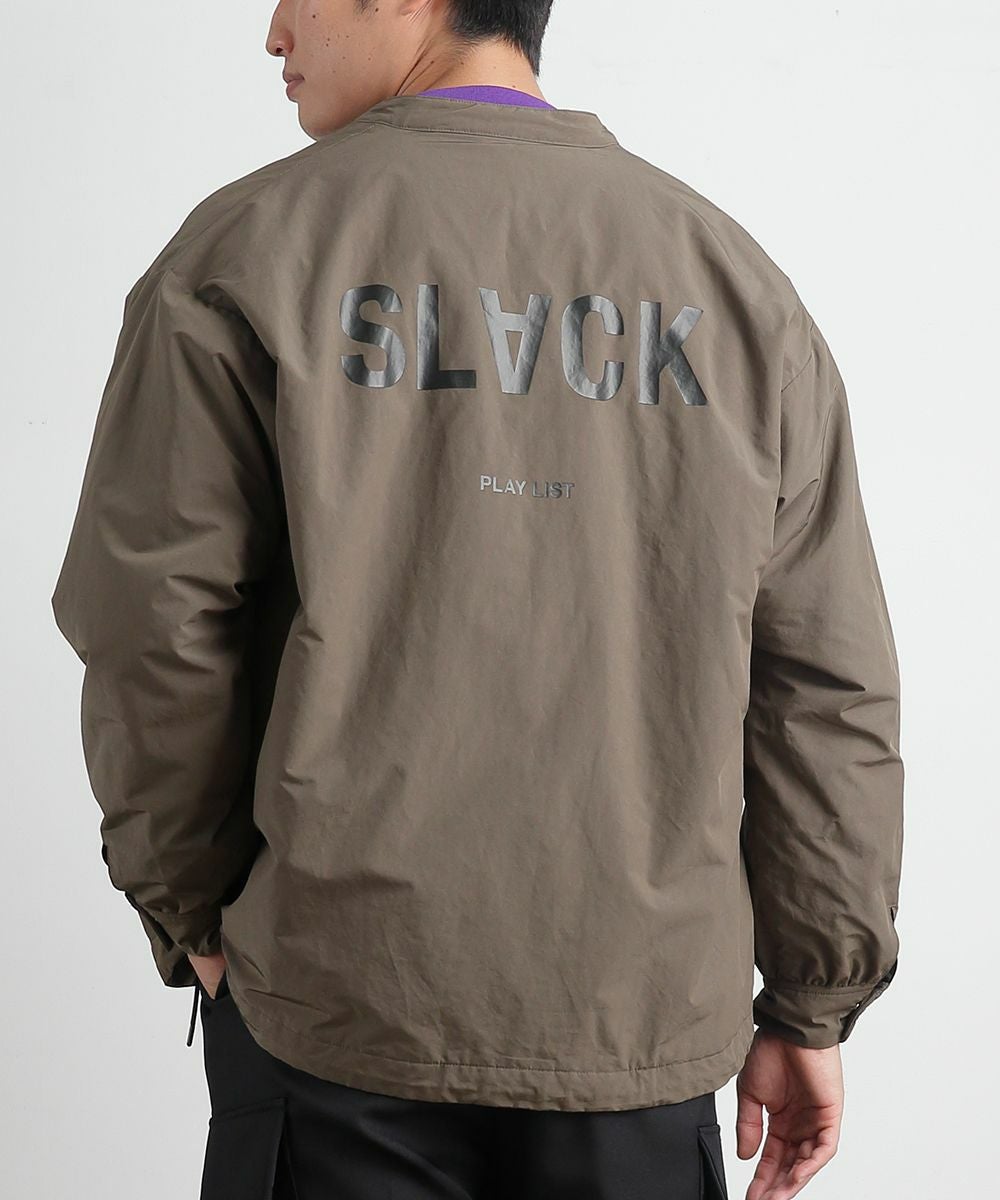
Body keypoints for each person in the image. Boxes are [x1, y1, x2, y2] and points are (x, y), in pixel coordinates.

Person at [50, 2, 905, 1198]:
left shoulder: (244, 252)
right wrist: (812, 1000)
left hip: (331, 1015)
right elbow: (826, 682)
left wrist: (193, 912)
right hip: (634, 1027)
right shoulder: (736, 288)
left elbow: (151, 626)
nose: (273, 31)